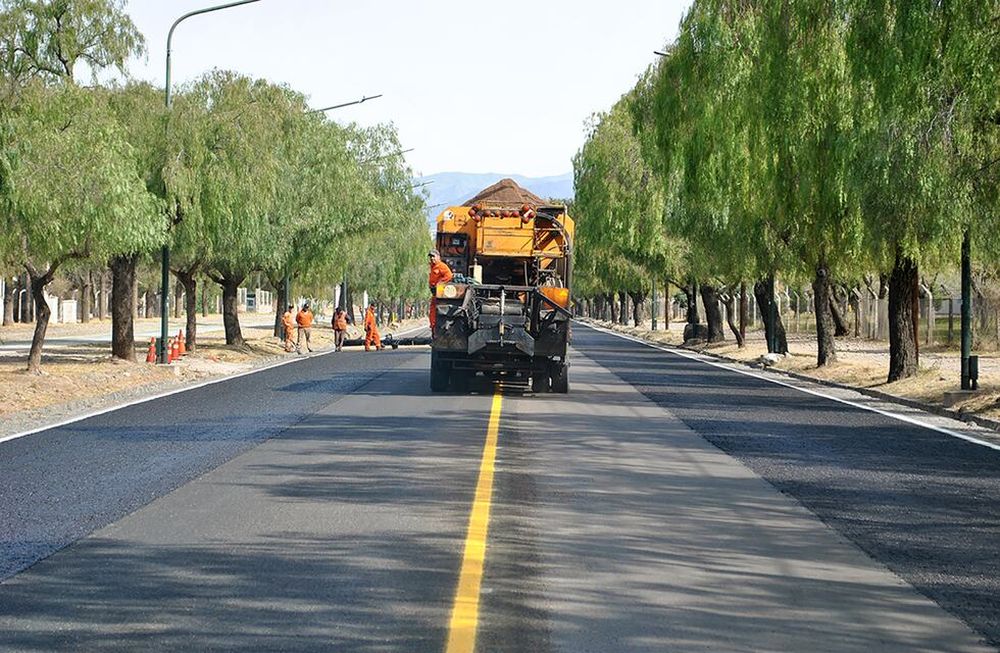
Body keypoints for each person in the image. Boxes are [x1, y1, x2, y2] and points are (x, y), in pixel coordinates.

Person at [428, 249, 453, 333]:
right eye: (430, 257)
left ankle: (435, 328)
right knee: (433, 310)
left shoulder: (442, 266)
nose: (432, 258)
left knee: (436, 310)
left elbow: (449, 275)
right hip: (434, 292)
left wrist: (439, 284)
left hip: (439, 291)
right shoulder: (432, 266)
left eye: (433, 256)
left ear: (438, 257)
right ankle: (433, 328)